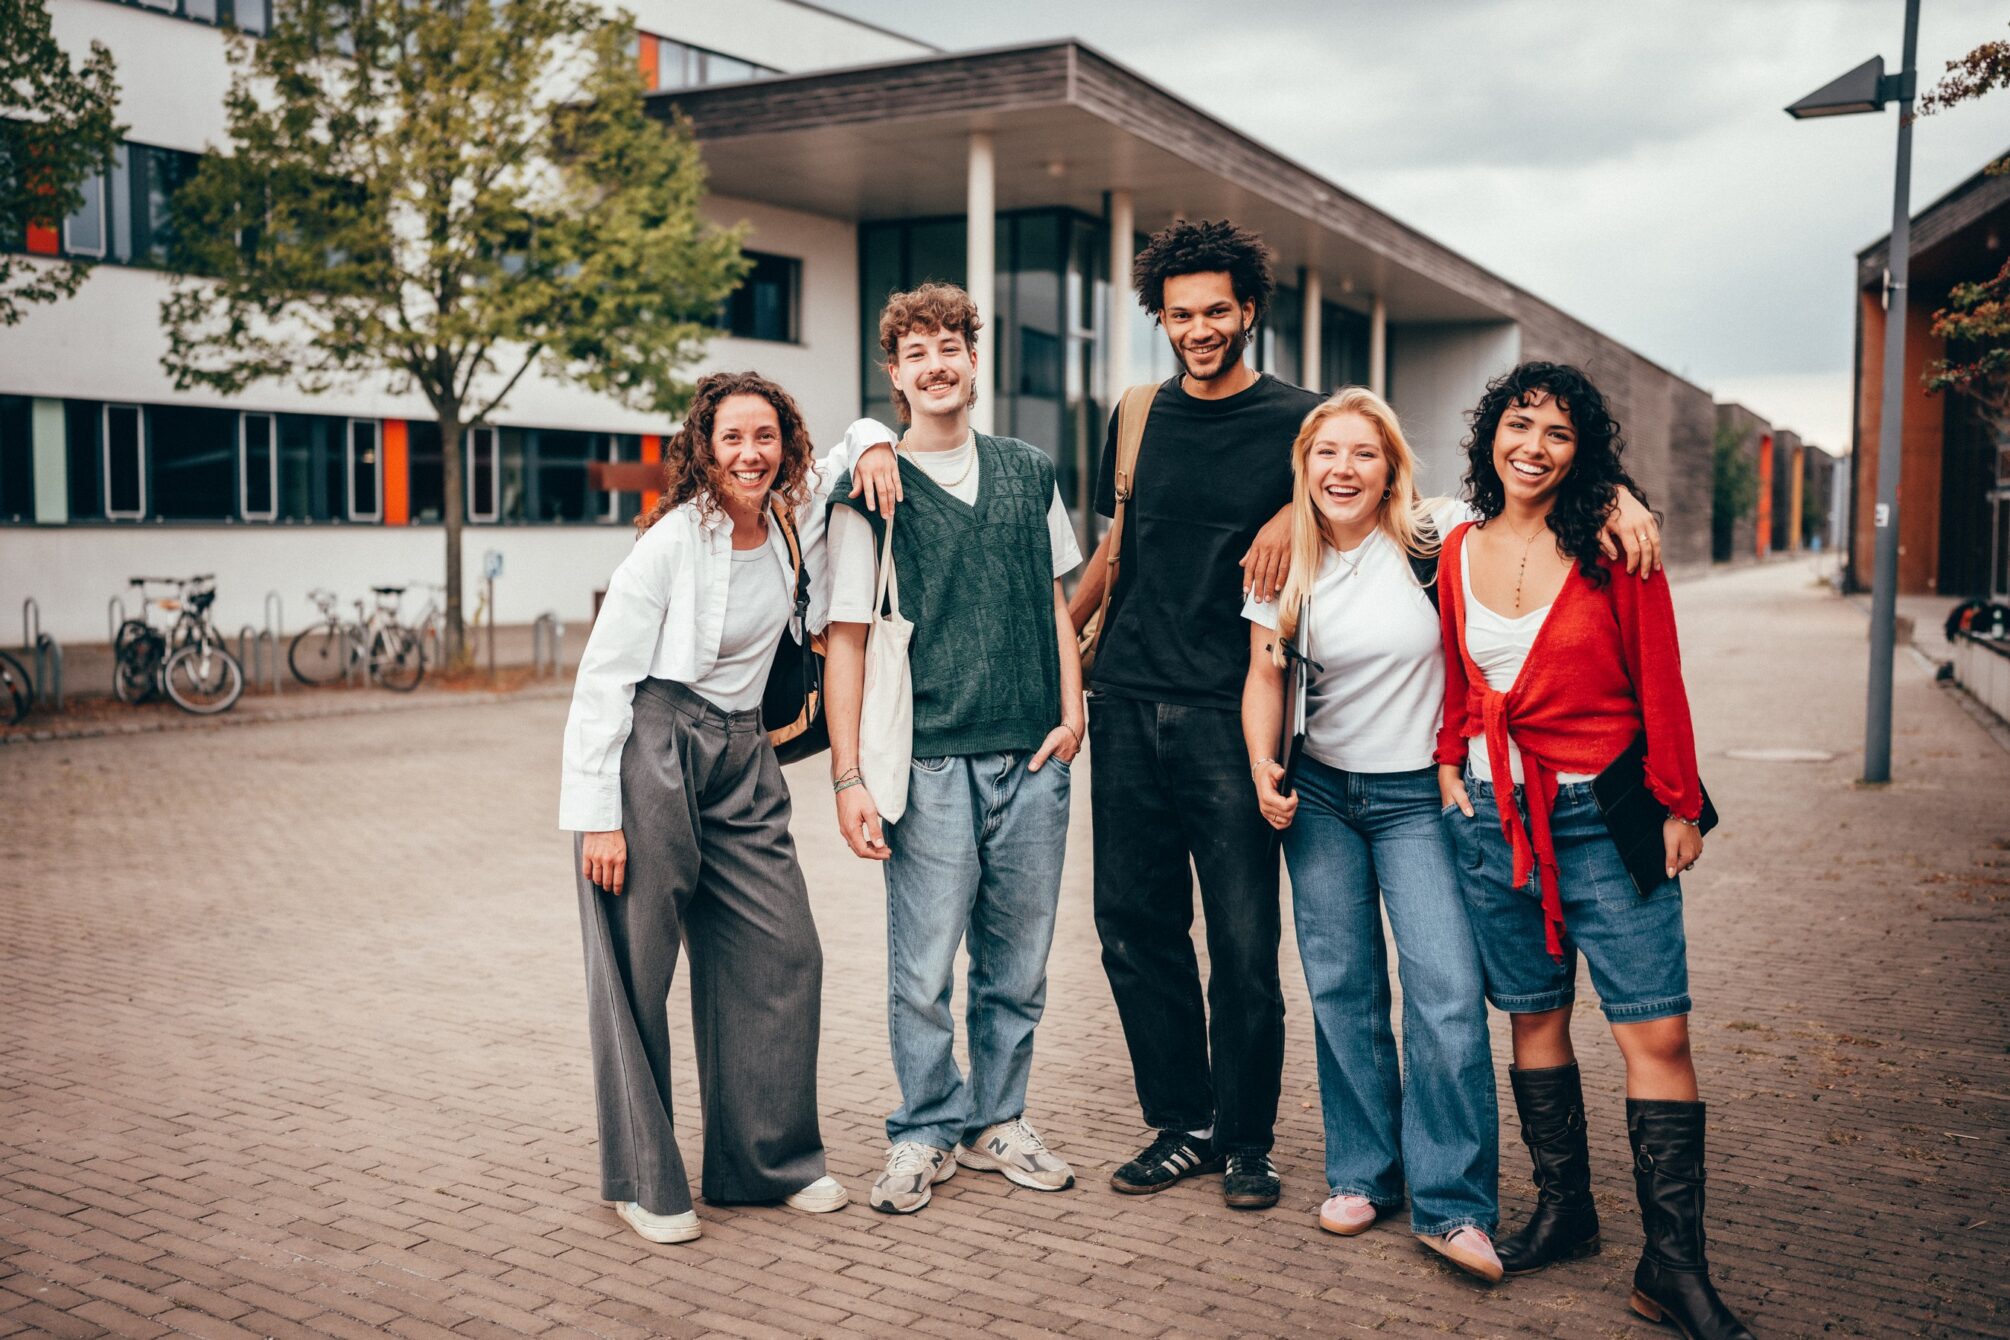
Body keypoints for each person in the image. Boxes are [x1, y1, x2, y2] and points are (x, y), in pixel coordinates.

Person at [1239, 389, 1656, 1283]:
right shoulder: (1284, 564)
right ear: (1302, 467)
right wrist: (1260, 765)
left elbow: (1541, 486)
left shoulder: (1440, 538)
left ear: (1393, 465)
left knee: (1446, 991)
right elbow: (1264, 674)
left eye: (1363, 453)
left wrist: (1619, 493)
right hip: (1318, 796)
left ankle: (1453, 1200)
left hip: (1424, 797)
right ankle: (1363, 1173)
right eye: (1325, 454)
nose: (1342, 470)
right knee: (1343, 986)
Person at [1436, 363, 1754, 1338]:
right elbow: (1455, 670)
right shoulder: (1451, 545)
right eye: (1518, 423)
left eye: (1559, 433)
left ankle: (1674, 1263)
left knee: (1656, 1032)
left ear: (1586, 454)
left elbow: (1662, 675)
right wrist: (1451, 760)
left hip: (1607, 816)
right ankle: (1565, 1208)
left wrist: (1679, 802)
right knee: (1534, 1019)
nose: (1533, 445)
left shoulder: (1618, 546)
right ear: (1490, 434)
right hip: (1495, 820)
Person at [558, 371, 897, 1245]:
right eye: (732, 440)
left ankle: (766, 1163)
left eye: (766, 438)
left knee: (785, 952)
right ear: (704, 451)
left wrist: (877, 440)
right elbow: (603, 679)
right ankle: (641, 1178)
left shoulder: (789, 517)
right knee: (639, 969)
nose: (751, 455)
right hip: (654, 747)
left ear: (786, 444)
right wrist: (600, 814)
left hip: (744, 753)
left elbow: (858, 431)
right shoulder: (674, 540)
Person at [824, 282, 1086, 1215]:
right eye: (916, 353)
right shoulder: (869, 488)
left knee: (1017, 968)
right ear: (894, 376)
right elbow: (846, 637)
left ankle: (996, 1122)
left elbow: (1058, 597)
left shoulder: (1028, 471)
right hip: (926, 761)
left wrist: (1073, 711)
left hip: (1032, 757)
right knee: (924, 970)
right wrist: (849, 774)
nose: (937, 365)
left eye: (952, 346)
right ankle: (925, 1129)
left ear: (976, 361)